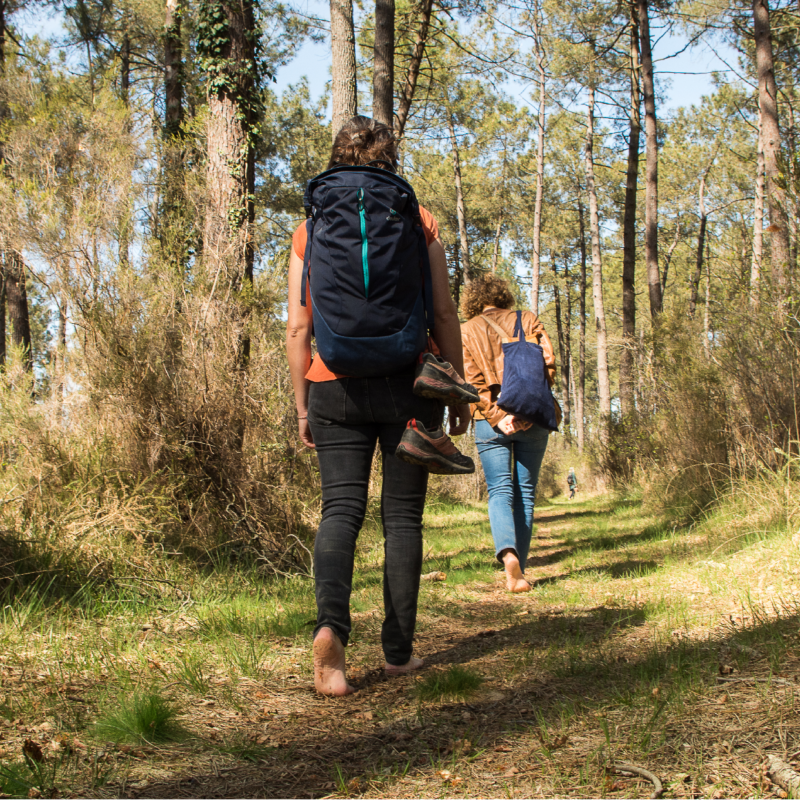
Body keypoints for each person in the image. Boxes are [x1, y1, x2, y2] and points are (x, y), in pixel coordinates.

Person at [286, 116, 471, 695]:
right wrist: (458, 383)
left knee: (340, 511)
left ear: (337, 156)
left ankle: (330, 633)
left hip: (331, 383)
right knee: (401, 519)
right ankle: (397, 653)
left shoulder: (310, 226)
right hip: (407, 384)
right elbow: (442, 313)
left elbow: (298, 327)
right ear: (390, 160)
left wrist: (302, 405)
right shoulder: (417, 220)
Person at [460, 274, 560, 593]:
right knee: (525, 494)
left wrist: (497, 414)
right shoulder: (528, 319)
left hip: (490, 423)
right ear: (503, 295)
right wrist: (524, 409)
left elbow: (470, 381)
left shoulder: (467, 330)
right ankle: (521, 570)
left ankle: (508, 557)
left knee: (500, 491)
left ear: (472, 300)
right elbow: (548, 364)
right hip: (532, 417)